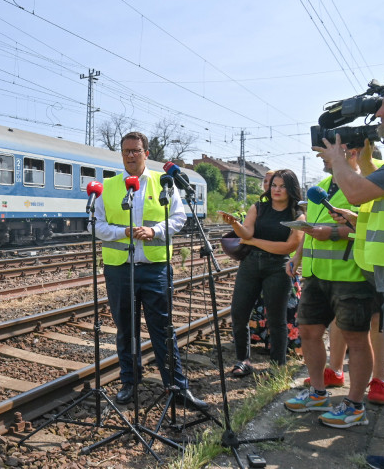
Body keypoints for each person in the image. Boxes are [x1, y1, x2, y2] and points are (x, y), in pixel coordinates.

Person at [316, 71, 384, 469]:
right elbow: (378, 189)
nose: (380, 114)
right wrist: (367, 158)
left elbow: (357, 191)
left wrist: (339, 161)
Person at [91, 131, 207, 409]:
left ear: (146, 153)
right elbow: (93, 225)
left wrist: (154, 230)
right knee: (126, 331)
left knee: (163, 329)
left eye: (136, 150)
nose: (131, 155)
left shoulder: (163, 183)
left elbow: (179, 218)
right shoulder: (107, 186)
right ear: (121, 154)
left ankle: (176, 386)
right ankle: (129, 382)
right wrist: (123, 232)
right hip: (120, 270)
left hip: (155, 268)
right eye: (126, 151)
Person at [283, 148, 376, 428]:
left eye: (331, 150)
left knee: (357, 339)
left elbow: (371, 227)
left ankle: (355, 406)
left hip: (350, 275)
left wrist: (332, 233)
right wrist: (297, 257)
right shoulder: (321, 187)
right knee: (309, 332)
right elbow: (310, 228)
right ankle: (318, 394)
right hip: (315, 274)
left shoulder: (364, 184)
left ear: (352, 151)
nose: (323, 157)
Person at [220, 169, 304, 376]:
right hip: (250, 265)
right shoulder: (258, 207)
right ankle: (243, 361)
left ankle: (278, 365)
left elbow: (288, 247)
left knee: (276, 319)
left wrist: (254, 241)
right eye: (274, 185)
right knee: (239, 313)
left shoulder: (297, 215)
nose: (276, 189)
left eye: (282, 186)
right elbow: (246, 232)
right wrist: (235, 225)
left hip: (278, 268)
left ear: (291, 189)